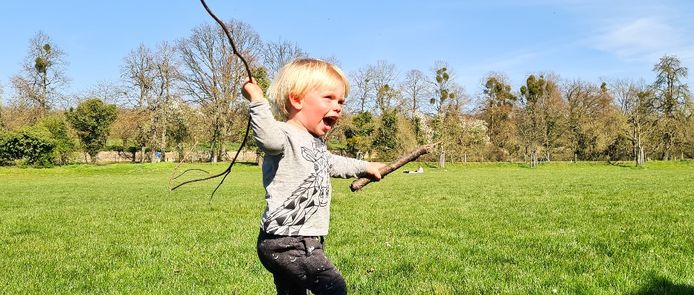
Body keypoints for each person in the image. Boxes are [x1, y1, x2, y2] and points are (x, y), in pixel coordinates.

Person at [242, 58, 384, 295]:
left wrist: (365, 166)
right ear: (296, 99)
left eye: (341, 101)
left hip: (301, 240)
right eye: (328, 97)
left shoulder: (314, 142)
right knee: (333, 288)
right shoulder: (284, 134)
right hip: (288, 241)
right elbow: (268, 139)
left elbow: (333, 163)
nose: (338, 106)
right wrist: (257, 99)